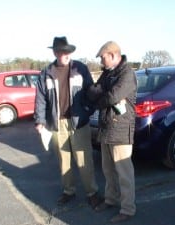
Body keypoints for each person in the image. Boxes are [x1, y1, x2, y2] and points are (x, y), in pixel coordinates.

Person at [34, 36, 102, 209]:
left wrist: (88, 111)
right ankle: (68, 191)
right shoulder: (46, 73)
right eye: (59, 51)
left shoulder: (81, 68)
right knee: (63, 161)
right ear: (55, 52)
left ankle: (92, 192)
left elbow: (91, 92)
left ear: (69, 52)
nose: (63, 54)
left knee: (84, 159)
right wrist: (40, 121)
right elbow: (40, 99)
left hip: (79, 123)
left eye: (66, 51)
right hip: (57, 124)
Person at [87, 41, 137, 223]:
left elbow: (112, 96)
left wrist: (99, 99)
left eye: (103, 57)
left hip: (121, 128)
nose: (101, 61)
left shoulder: (127, 74)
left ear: (114, 55)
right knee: (108, 170)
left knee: (124, 172)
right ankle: (111, 199)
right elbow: (94, 91)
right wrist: (100, 96)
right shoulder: (108, 74)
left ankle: (128, 209)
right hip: (107, 127)